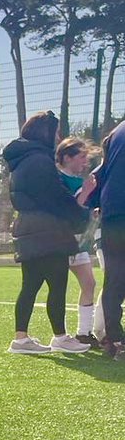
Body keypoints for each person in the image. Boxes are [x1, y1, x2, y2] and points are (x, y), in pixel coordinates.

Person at [3, 112, 92, 357]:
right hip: (48, 232)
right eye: (55, 132)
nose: (57, 137)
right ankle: (61, 337)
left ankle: (21, 338)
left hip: (28, 229)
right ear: (45, 133)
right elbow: (57, 197)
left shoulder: (22, 162)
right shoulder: (40, 161)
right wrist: (81, 215)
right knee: (57, 284)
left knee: (30, 285)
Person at [81, 118, 125, 360]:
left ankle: (114, 340)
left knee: (115, 278)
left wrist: (97, 202)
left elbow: (102, 172)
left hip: (114, 213)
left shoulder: (116, 133)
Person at [56, 137, 102, 345]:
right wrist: (84, 192)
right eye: (81, 157)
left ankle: (84, 332)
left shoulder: (82, 180)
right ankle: (59, 336)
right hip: (59, 241)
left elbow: (83, 211)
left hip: (78, 242)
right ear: (67, 157)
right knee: (56, 286)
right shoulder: (57, 179)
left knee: (89, 283)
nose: (85, 162)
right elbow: (69, 210)